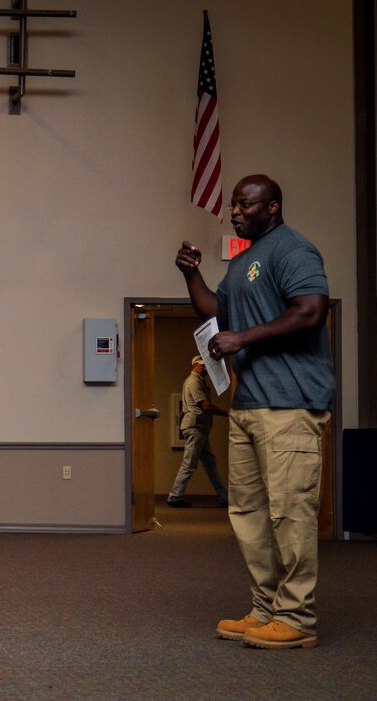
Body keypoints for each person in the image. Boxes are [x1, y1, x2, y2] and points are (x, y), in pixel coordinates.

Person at [175, 174, 335, 650]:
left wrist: (242, 339)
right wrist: (190, 275)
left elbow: (311, 310)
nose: (236, 212)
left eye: (246, 205)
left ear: (273, 206)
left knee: (291, 515)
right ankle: (266, 608)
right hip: (248, 405)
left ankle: (297, 617)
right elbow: (215, 315)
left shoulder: (293, 250)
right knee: (249, 514)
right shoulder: (243, 259)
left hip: (291, 403)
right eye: (233, 205)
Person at [166, 356, 229, 508]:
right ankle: (174, 497)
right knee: (189, 463)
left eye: (206, 366)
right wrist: (228, 413)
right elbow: (206, 406)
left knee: (210, 464)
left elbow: (184, 410)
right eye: (202, 366)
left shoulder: (195, 381)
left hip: (200, 429)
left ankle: (224, 497)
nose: (205, 368)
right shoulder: (194, 382)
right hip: (196, 428)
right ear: (195, 365)